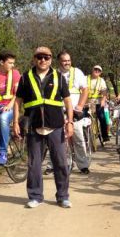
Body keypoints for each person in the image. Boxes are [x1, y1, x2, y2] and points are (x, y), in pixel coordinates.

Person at [12, 46, 74, 208]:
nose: (43, 60)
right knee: (34, 163)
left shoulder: (59, 77)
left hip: (56, 126)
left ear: (51, 59)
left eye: (46, 57)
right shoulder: (25, 78)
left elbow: (67, 101)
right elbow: (17, 101)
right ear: (34, 59)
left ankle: (63, 196)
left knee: (60, 162)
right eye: (39, 57)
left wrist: (70, 122)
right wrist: (15, 122)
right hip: (34, 126)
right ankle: (35, 196)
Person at [58, 50, 90, 174]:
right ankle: (55, 164)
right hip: (59, 109)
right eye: (64, 60)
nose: (67, 63)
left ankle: (83, 165)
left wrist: (80, 106)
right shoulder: (55, 73)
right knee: (57, 137)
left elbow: (85, 90)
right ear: (59, 62)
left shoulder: (77, 72)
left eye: (69, 60)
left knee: (77, 135)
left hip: (75, 109)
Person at [87, 65, 110, 142]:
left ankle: (105, 136)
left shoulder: (101, 80)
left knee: (102, 117)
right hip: (87, 102)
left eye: (99, 70)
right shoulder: (86, 78)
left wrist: (103, 100)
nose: (97, 71)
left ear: (100, 72)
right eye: (95, 69)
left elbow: (104, 91)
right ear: (92, 70)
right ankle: (85, 136)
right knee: (83, 117)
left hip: (98, 102)